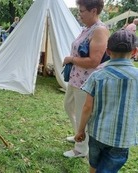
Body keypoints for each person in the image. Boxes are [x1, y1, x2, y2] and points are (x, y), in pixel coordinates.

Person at [74, 29, 138, 173]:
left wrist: (80, 130)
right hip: (122, 139)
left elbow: (87, 107)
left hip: (98, 134)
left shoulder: (97, 76)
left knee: (94, 164)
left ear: (108, 52)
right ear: (134, 52)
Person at [62, 0, 109, 158]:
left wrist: (71, 59)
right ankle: (79, 135)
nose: (79, 14)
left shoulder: (100, 30)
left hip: (86, 82)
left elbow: (94, 61)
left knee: (83, 113)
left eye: (81, 11)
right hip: (76, 78)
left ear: (93, 11)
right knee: (68, 106)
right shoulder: (87, 29)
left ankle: (81, 149)